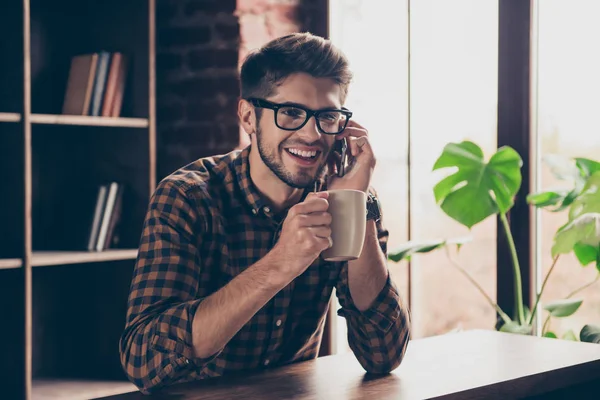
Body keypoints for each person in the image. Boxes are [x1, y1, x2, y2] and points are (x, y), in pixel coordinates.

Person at [119, 32, 411, 394]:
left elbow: (384, 354)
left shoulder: (346, 197)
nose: (311, 134)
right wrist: (280, 263)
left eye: (328, 116)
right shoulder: (187, 197)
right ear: (248, 116)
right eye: (291, 113)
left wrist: (356, 202)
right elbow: (145, 360)